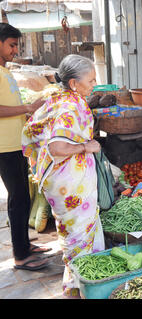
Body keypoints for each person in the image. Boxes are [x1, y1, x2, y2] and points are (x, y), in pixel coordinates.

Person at [22, 54, 105, 297]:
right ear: (73, 83)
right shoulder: (71, 105)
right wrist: (86, 147)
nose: (93, 85)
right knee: (79, 242)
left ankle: (83, 287)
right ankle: (75, 289)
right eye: (90, 80)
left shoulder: (57, 98)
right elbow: (57, 147)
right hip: (70, 185)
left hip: (62, 183)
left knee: (75, 236)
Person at [0, 23, 51, 271]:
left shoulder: (5, 71)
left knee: (23, 196)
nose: (15, 50)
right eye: (11, 45)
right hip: (3, 146)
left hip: (16, 143)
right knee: (18, 198)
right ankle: (20, 256)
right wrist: (28, 108)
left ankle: (25, 245)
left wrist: (29, 118)